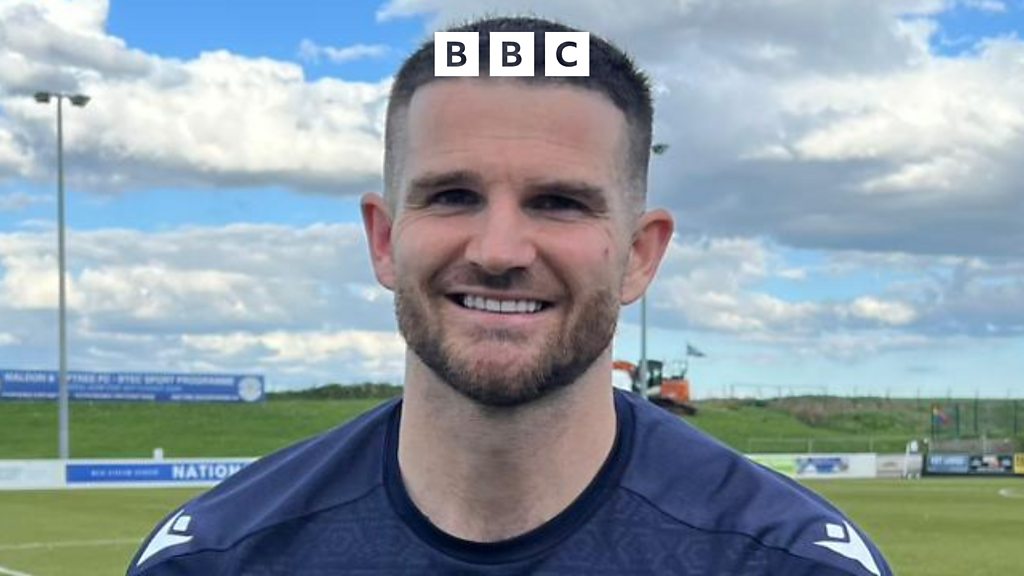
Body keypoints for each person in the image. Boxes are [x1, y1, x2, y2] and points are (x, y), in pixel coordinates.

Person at [128, 16, 892, 575]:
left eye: (558, 202)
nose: (498, 252)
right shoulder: (216, 557)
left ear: (639, 255)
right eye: (452, 196)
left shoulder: (782, 561)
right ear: (384, 239)